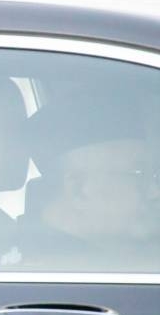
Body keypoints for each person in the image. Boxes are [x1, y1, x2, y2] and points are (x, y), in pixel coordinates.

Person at [18, 96, 160, 272]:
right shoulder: (49, 280)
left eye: (153, 175)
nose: (155, 192)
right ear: (79, 190)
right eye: (138, 174)